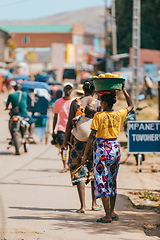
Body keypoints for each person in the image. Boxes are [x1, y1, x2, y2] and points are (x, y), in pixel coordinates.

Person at [81, 83, 134, 222]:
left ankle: (107, 215)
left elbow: (91, 136)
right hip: (115, 149)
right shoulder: (119, 114)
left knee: (102, 181)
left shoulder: (99, 116)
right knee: (112, 180)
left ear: (103, 102)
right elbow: (131, 106)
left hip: (101, 150)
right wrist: (124, 91)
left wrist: (85, 155)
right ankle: (112, 212)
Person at [61, 79, 102, 213]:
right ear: (94, 91)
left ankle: (82, 206)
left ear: (82, 90)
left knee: (78, 169)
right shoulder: (98, 104)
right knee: (94, 170)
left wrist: (64, 142)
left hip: (77, 142)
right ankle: (94, 204)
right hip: (94, 141)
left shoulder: (75, 103)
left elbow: (68, 125)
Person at [52, 82, 73, 173]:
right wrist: (53, 129)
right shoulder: (58, 102)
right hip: (62, 128)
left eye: (69, 89)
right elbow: (55, 116)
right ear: (63, 90)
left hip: (72, 129)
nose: (68, 91)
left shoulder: (74, 102)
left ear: (71, 90)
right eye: (66, 89)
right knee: (63, 147)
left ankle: (69, 164)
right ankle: (64, 165)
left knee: (72, 149)